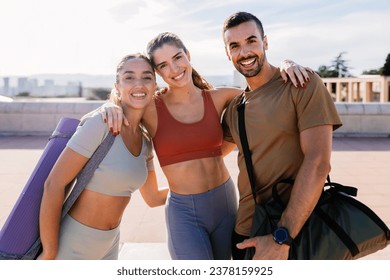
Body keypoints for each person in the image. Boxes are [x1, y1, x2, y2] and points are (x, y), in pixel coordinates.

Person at [101, 33, 311, 260]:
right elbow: (126, 100)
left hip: (225, 204)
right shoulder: (151, 109)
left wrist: (286, 65)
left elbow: (264, 90)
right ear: (158, 73)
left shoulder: (220, 97)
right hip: (183, 212)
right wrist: (110, 107)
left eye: (177, 58)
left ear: (188, 56)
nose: (174, 68)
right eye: (163, 65)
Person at [221, 11, 342, 260]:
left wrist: (282, 236)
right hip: (245, 231)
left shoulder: (302, 84)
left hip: (294, 232)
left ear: (265, 42)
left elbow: (318, 162)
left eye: (251, 41)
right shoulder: (234, 108)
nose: (244, 52)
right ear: (227, 53)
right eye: (235, 46)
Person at [38, 53, 168, 260]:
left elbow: (153, 198)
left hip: (110, 243)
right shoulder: (102, 123)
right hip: (73, 243)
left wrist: (197, 186)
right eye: (129, 77)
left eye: (146, 77)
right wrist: (50, 249)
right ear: (117, 86)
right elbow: (53, 184)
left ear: (155, 85)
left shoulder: (145, 142)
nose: (139, 84)